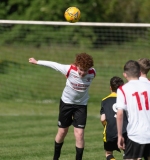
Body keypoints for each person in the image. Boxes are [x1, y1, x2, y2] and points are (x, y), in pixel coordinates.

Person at [28, 53, 96, 160]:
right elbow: (54, 64)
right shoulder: (69, 69)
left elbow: (86, 76)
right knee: (62, 131)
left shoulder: (92, 73)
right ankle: (56, 158)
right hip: (66, 103)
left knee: (79, 134)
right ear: (77, 65)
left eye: (86, 70)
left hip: (81, 106)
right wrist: (37, 62)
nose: (83, 73)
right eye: (81, 69)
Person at [116, 60, 150, 160]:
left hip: (135, 134)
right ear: (140, 73)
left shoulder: (123, 89)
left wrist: (119, 135)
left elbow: (120, 113)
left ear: (125, 75)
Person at [100, 76, 128, 160]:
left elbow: (103, 119)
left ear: (110, 88)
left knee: (108, 153)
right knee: (128, 152)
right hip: (125, 131)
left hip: (110, 132)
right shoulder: (127, 99)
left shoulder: (105, 100)